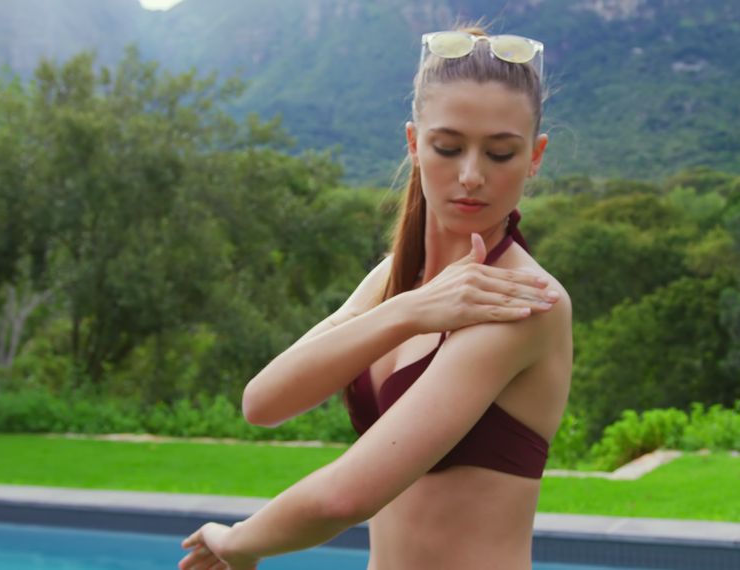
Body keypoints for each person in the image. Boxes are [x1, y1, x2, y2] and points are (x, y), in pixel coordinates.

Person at [178, 24, 572, 570]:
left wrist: (236, 541)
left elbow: (348, 496)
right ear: (414, 143)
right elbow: (264, 402)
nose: (471, 175)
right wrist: (410, 310)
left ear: (535, 156)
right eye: (448, 147)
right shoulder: (394, 281)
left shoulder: (521, 300)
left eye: (501, 154)